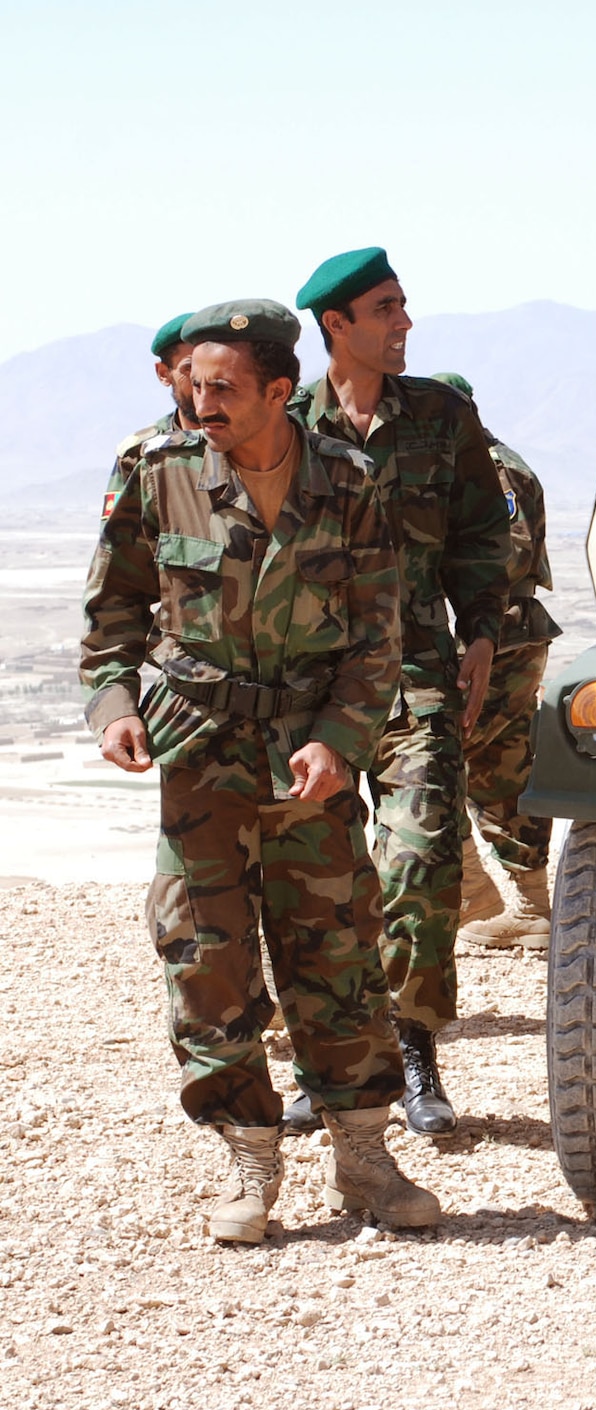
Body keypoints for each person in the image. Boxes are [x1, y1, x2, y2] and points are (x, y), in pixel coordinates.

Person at [81, 299, 440, 1243]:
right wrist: (116, 711)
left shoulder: (349, 483)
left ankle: (363, 1152)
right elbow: (112, 620)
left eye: (224, 387)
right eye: (194, 384)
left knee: (336, 947)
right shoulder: (155, 474)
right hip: (199, 751)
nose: (201, 401)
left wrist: (340, 738)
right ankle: (249, 1152)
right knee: (207, 953)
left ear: (280, 391)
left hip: (306, 761)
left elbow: (376, 639)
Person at [287, 249, 512, 1136]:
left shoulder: (441, 416)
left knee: (419, 860)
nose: (405, 324)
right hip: (310, 691)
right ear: (337, 325)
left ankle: (413, 1046)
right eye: (386, 309)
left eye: (405, 306)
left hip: (417, 675)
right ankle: (333, 1064)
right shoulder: (287, 421)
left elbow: (482, 530)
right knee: (319, 885)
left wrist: (484, 629)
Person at [430, 371, 560, 949]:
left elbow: (505, 556)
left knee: (433, 752)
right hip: (508, 634)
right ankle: (530, 905)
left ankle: (470, 890)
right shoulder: (501, 459)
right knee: (500, 764)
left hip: (488, 636)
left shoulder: (486, 468)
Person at [102, 313, 197, 520]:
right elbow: (116, 546)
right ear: (164, 373)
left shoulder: (256, 441)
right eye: (189, 368)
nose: (202, 380)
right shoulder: (139, 453)